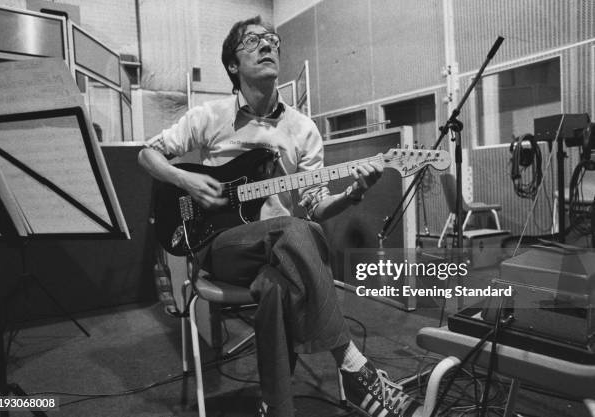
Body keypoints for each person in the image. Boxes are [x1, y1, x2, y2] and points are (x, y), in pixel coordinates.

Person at [138, 16, 422, 417]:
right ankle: (354, 367)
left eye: (272, 39)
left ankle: (275, 406)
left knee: (277, 282)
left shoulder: (303, 130)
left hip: (282, 249)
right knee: (296, 230)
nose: (267, 44)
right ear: (233, 65)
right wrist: (185, 179)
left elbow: (317, 207)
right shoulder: (208, 116)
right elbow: (146, 155)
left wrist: (352, 195)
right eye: (253, 40)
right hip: (219, 246)